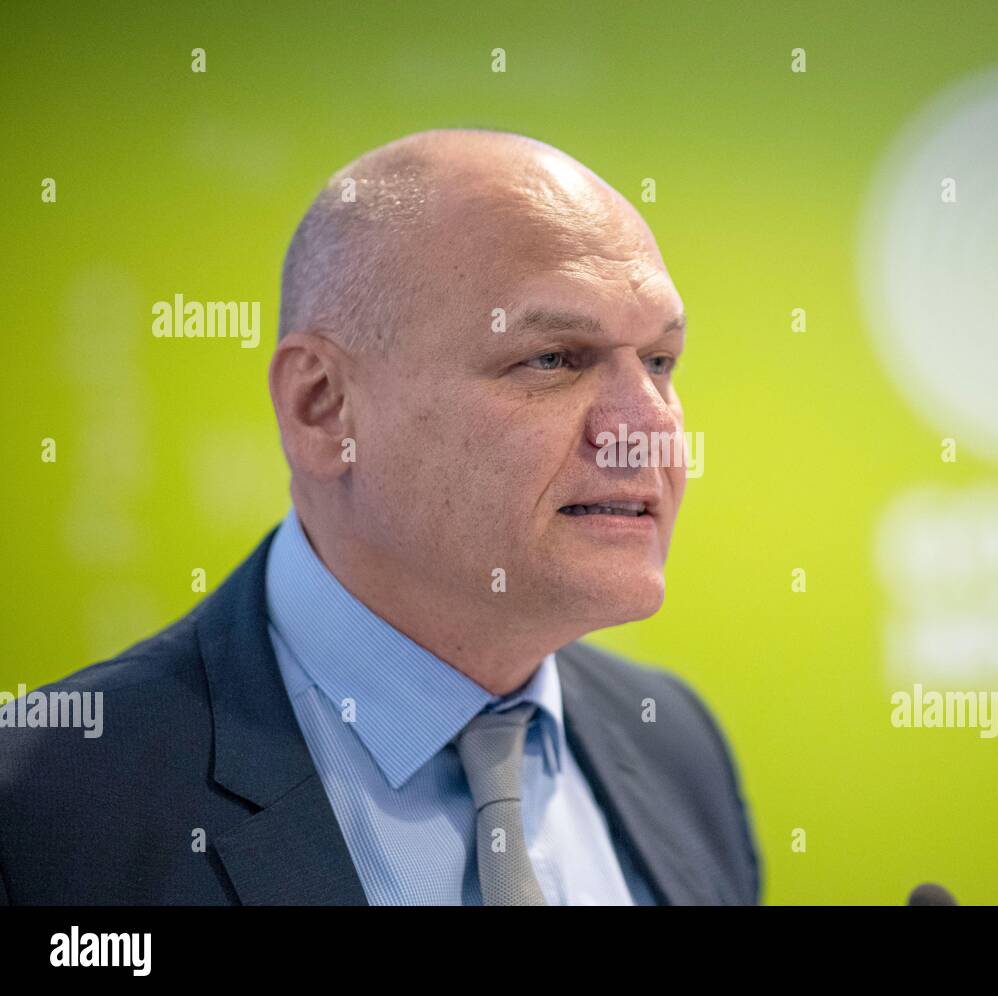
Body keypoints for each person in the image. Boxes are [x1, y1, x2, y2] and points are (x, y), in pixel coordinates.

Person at [0, 129, 761, 906]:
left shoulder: (674, 745)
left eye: (660, 362)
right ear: (323, 406)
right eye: (554, 359)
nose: (648, 430)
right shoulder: (44, 811)